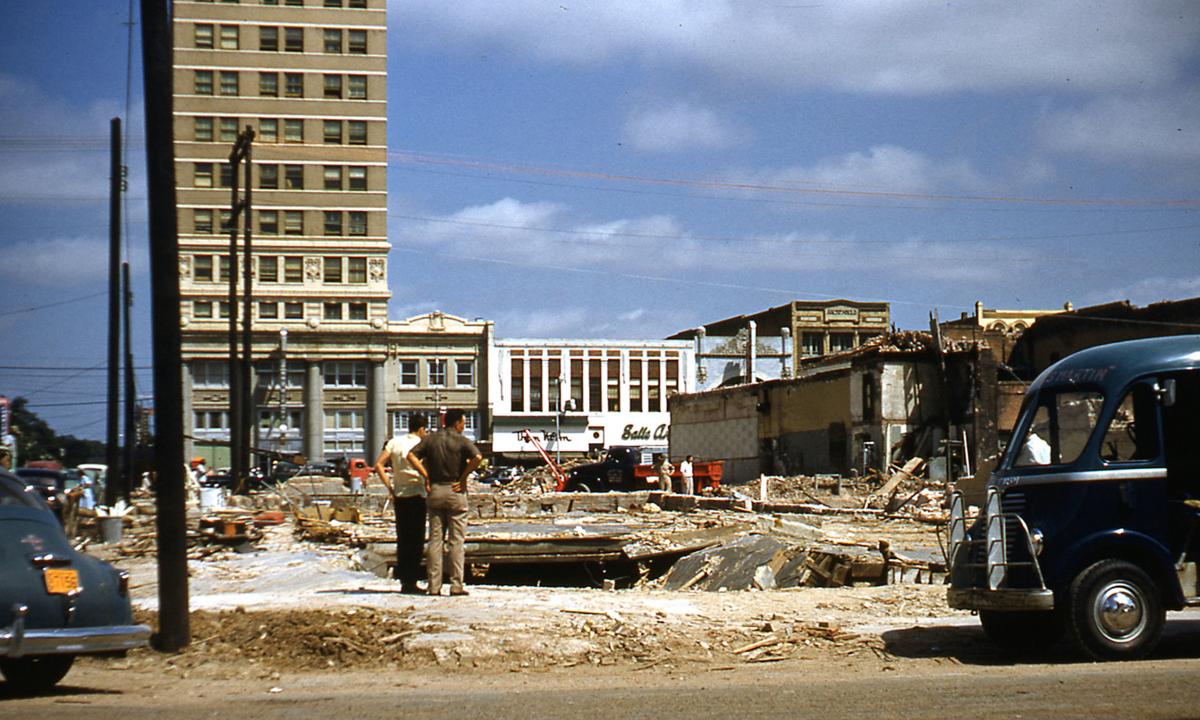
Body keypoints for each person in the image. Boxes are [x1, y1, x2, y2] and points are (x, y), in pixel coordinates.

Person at [407, 409, 482, 597]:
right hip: (455, 490)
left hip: (435, 490)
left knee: (435, 540)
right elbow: (478, 458)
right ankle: (456, 585)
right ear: (457, 423)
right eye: (463, 423)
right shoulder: (461, 440)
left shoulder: (431, 439)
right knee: (456, 541)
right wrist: (463, 478)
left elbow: (411, 455)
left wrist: (426, 476)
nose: (464, 426)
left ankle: (434, 586)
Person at [373, 414, 430, 594]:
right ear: (421, 429)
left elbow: (378, 465)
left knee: (403, 537)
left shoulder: (394, 442)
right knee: (417, 539)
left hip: (399, 494)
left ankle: (405, 579)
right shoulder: (421, 445)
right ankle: (412, 579)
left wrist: (389, 486)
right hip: (418, 493)